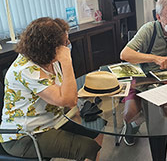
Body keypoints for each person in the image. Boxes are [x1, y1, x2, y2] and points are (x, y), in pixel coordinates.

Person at [0, 17, 101, 161]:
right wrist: (66, 61)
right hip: (24, 136)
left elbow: (66, 95)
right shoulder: (26, 69)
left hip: (52, 121)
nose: (67, 46)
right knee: (88, 147)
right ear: (48, 47)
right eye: (64, 43)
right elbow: (68, 100)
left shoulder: (47, 61)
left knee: (96, 131)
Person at [120, 0, 167, 146]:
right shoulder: (149, 29)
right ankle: (133, 124)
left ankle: (149, 125)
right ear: (158, 17)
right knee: (129, 114)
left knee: (166, 112)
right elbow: (125, 54)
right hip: (143, 78)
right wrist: (154, 58)